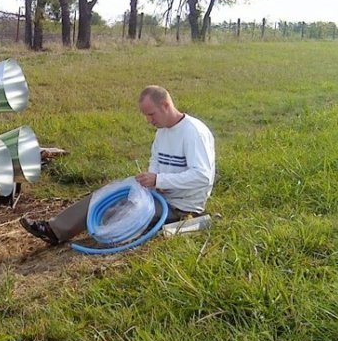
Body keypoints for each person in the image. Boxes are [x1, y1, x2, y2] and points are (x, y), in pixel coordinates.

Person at [20, 85, 215, 245]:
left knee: (119, 211)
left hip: (180, 205)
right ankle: (53, 229)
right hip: (160, 193)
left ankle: (79, 232)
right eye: (146, 116)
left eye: (151, 114)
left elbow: (202, 176)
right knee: (105, 196)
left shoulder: (193, 132)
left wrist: (159, 180)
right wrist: (151, 180)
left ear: (165, 105)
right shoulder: (162, 132)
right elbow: (155, 161)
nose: (149, 121)